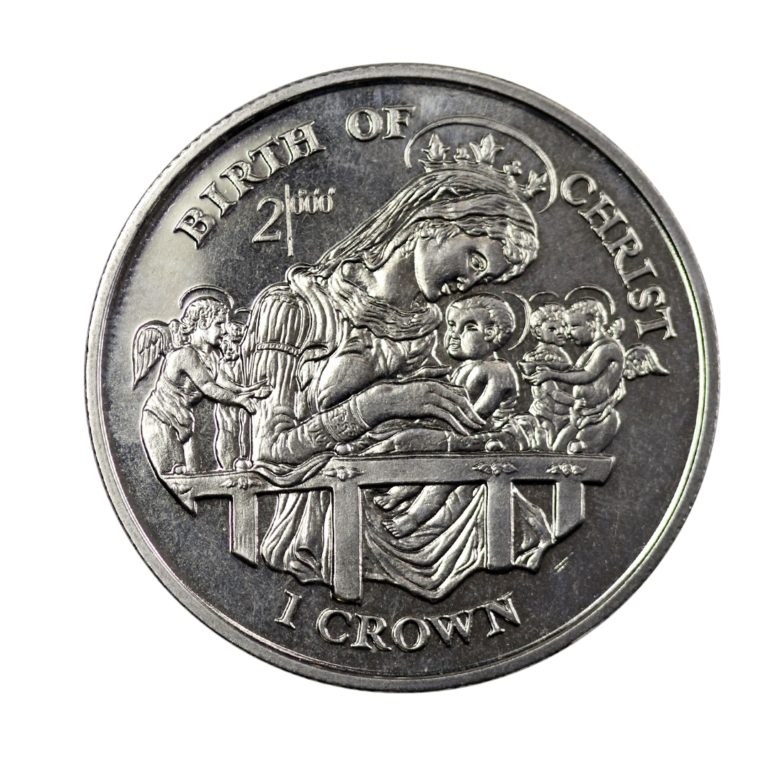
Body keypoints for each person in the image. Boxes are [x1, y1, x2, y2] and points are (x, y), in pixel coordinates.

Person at [240, 165, 553, 600]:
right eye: (475, 260)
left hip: (417, 492)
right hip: (335, 517)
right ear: (434, 222)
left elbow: (435, 428)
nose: (469, 283)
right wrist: (384, 402)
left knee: (516, 519)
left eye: (485, 280)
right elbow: (268, 450)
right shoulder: (295, 309)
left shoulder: (423, 333)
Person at [374, 293, 521, 537]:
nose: (454, 334)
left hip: (488, 439)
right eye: (452, 325)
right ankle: (397, 488)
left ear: (491, 333)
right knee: (406, 439)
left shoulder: (498, 370)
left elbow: (477, 417)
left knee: (444, 471)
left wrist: (437, 432)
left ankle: (412, 518)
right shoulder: (463, 369)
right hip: (459, 433)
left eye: (469, 327)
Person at [140, 298, 271, 475]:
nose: (225, 330)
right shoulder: (185, 355)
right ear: (202, 323)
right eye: (219, 324)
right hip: (160, 420)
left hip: (184, 423)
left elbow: (224, 383)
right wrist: (239, 400)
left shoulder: (212, 356)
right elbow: (208, 386)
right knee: (174, 476)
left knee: (193, 472)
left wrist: (250, 390)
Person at [526, 298, 625, 454]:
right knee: (556, 451)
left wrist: (551, 374)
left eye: (574, 326)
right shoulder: (593, 349)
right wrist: (550, 368)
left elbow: (587, 375)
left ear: (591, 324)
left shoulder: (608, 348)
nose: (568, 333)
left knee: (570, 450)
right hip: (579, 414)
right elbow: (572, 371)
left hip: (597, 416)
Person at [518, 303, 577, 447]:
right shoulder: (542, 359)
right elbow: (553, 393)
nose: (560, 332)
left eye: (563, 327)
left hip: (562, 414)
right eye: (552, 329)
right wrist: (576, 402)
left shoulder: (559, 354)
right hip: (546, 415)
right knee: (550, 445)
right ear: (538, 332)